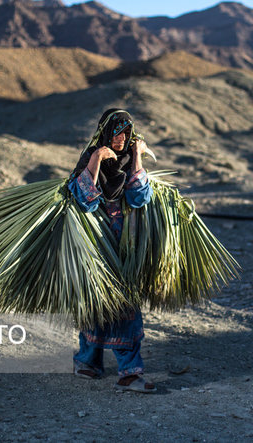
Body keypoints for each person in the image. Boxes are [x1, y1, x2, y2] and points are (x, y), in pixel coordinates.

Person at [67, 108, 157, 393]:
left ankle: (129, 372)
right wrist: (96, 159)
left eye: (126, 133)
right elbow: (85, 201)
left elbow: (139, 197)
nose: (121, 138)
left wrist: (138, 155)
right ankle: (87, 361)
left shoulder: (130, 159)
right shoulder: (90, 157)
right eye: (116, 132)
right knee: (95, 302)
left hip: (125, 243)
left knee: (125, 305)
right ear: (105, 133)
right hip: (96, 243)